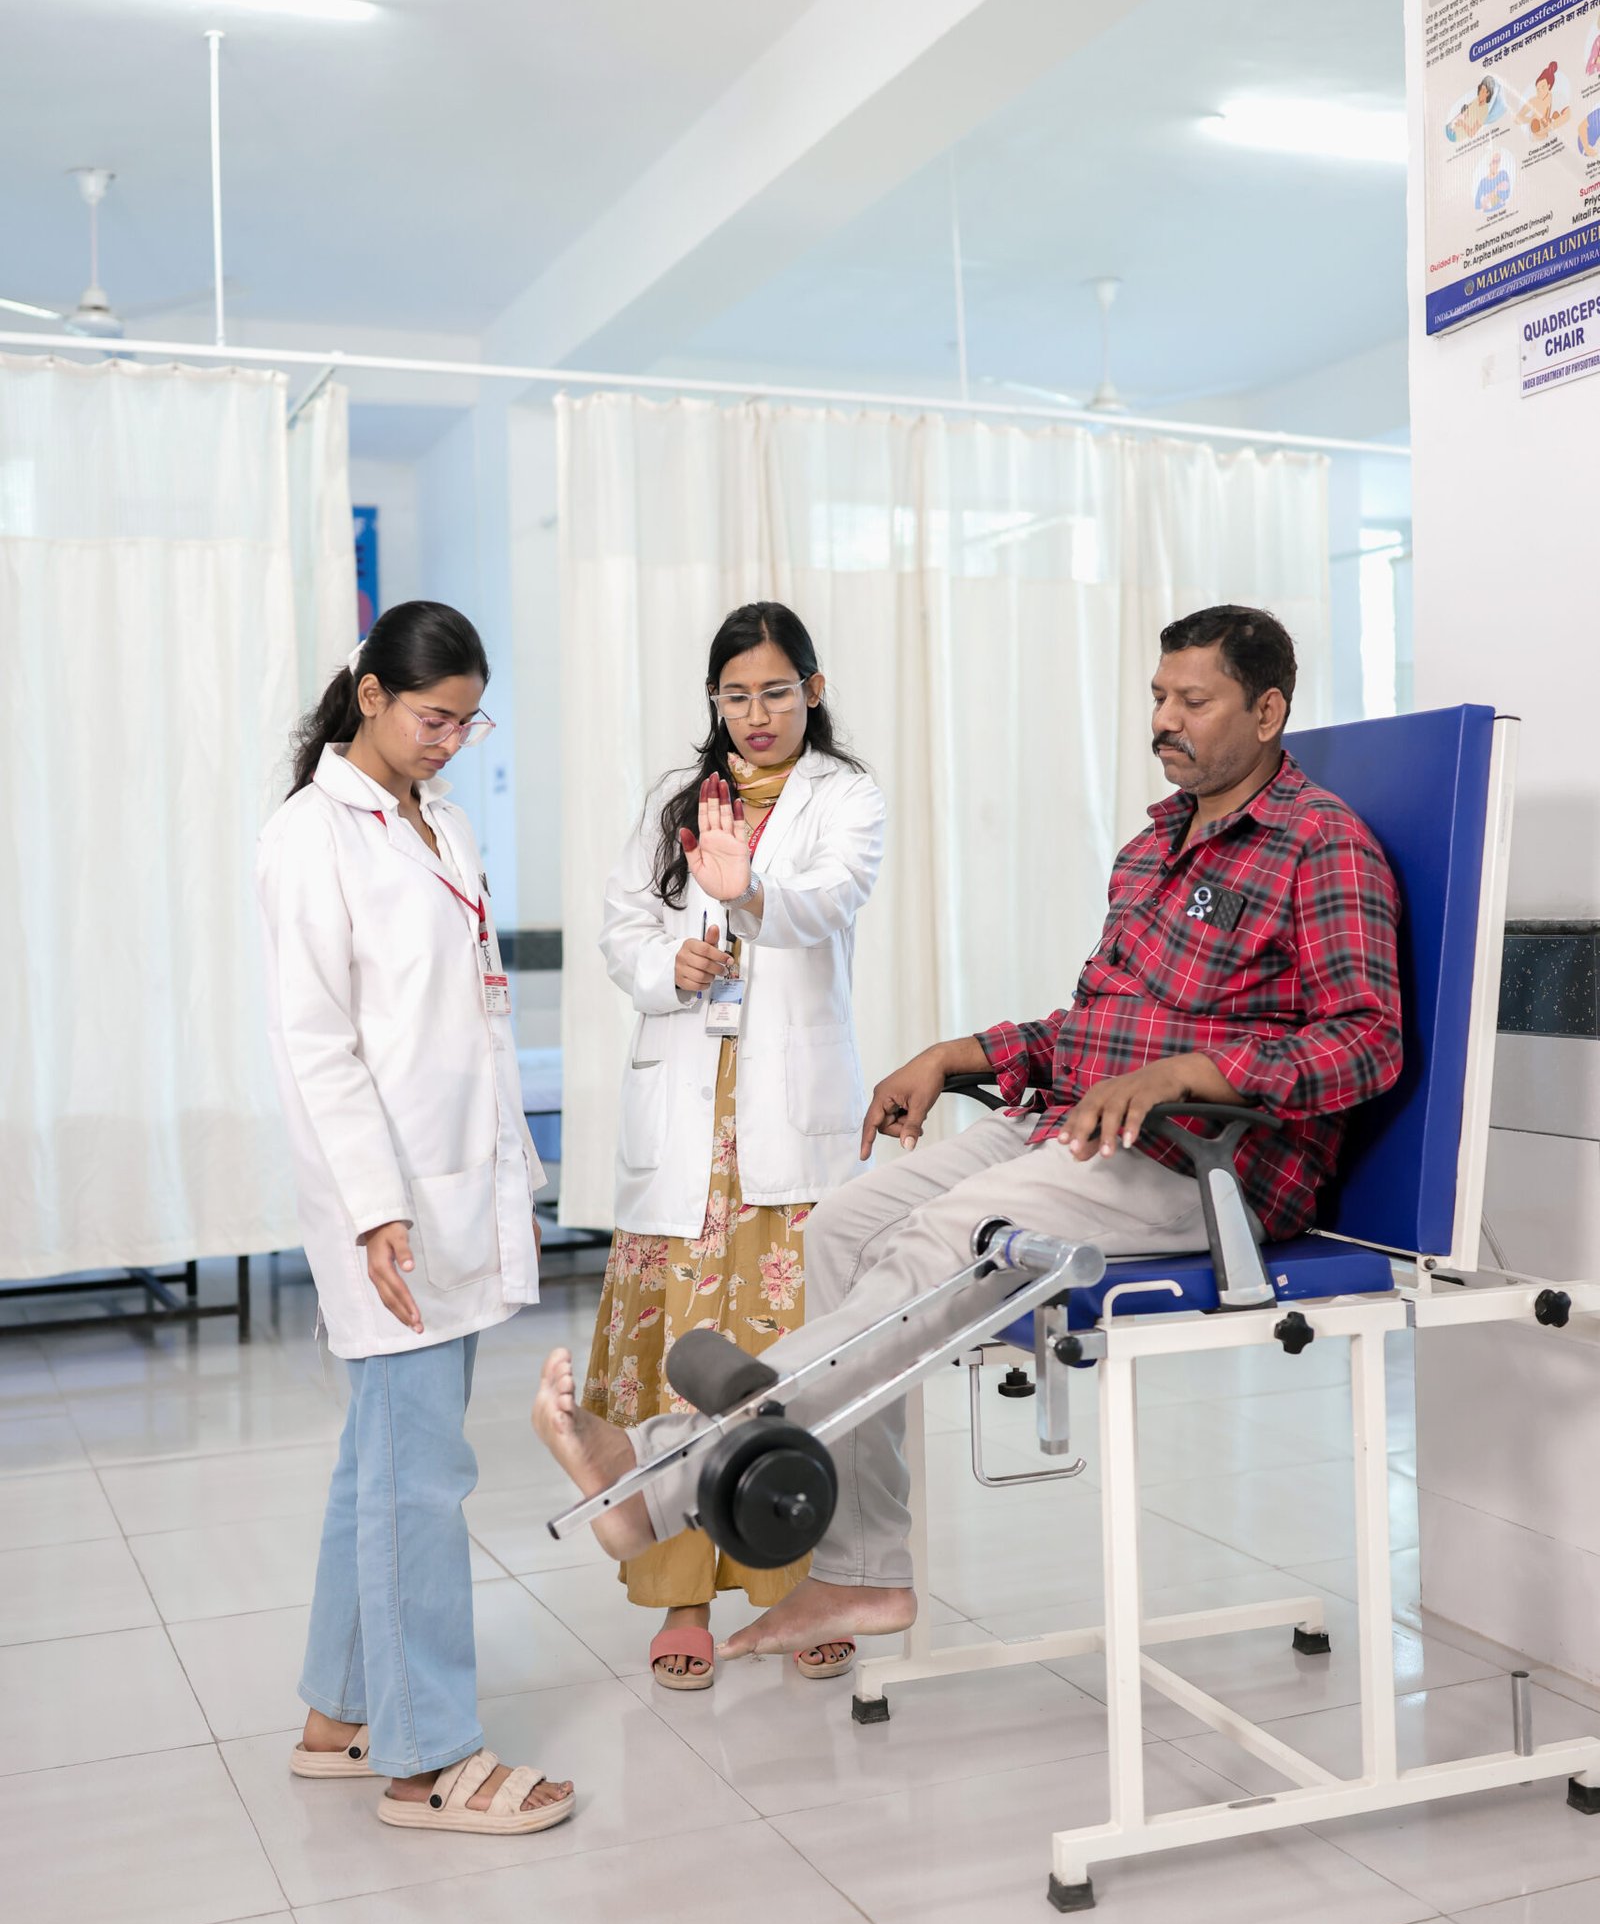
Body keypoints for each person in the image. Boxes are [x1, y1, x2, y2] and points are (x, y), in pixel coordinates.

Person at [533, 604, 1403, 1663]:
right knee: (844, 1225)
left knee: (939, 1242)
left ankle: (659, 1476)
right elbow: (1091, 1027)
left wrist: (1192, 1072)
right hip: (1077, 1127)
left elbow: (1366, 1043)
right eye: (1157, 698)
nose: (1163, 721)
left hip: (1202, 1159)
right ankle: (860, 1575)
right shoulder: (1151, 847)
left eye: (1193, 701)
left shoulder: (1320, 845)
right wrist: (959, 1054)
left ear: (1267, 711)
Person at [258, 602, 573, 1835]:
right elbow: (317, 1045)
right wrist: (375, 1211)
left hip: (453, 1182)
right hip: (387, 1204)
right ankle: (430, 1755)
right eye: (433, 716)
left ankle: (339, 1712)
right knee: (418, 1478)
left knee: (377, 1466)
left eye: (466, 720)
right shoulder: (308, 837)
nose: (451, 740)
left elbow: (467, 1017)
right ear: (371, 693)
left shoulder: (434, 823)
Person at [582, 601, 885, 1689]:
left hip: (781, 1125)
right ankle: (680, 1593)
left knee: (785, 1364)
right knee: (677, 1359)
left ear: (811, 685)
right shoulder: (675, 802)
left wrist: (742, 895)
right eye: (734, 695)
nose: (755, 715)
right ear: (713, 700)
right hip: (684, 1122)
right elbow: (622, 926)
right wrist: (675, 966)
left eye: (774, 690)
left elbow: (826, 902)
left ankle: (797, 1582)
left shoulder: (844, 798)